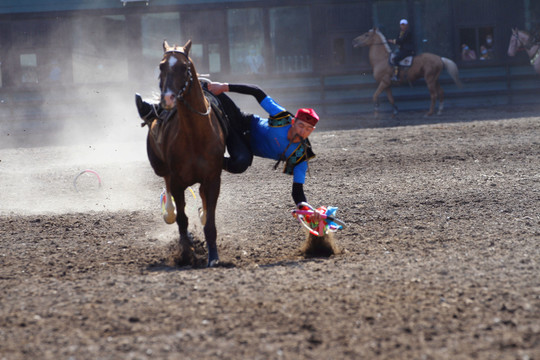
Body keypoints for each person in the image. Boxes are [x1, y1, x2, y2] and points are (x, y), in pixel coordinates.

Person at [135, 82, 319, 211]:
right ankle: (155, 109)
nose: (303, 131)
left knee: (241, 163)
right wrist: (225, 86)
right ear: (294, 121)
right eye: (301, 125)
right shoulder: (282, 117)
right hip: (241, 123)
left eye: (308, 129)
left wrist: (306, 208)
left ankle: (201, 159)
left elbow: (297, 190)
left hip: (243, 144)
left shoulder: (300, 154)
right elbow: (257, 91)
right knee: (208, 91)